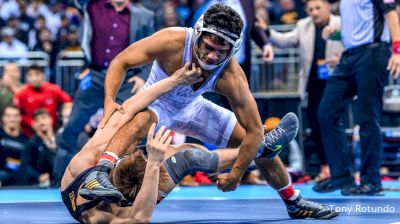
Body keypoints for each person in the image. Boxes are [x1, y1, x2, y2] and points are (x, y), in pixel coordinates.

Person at [79, 4, 334, 218]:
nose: (212, 57)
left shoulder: (232, 75)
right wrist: (109, 100)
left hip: (194, 106)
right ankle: (99, 173)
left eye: (221, 51)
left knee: (256, 140)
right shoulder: (172, 40)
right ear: (198, 34)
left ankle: (293, 200)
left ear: (232, 50)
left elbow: (254, 129)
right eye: (208, 47)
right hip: (159, 101)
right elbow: (121, 60)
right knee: (140, 119)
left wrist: (235, 175)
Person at [61, 64, 337, 223]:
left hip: (107, 171)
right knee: (190, 158)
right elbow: (139, 220)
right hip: (133, 189)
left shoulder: (87, 158)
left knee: (137, 119)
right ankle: (260, 149)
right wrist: (156, 163)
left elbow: (132, 105)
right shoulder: (104, 216)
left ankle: (261, 150)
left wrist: (174, 80)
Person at [53, 0, 155, 184]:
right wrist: (85, 67)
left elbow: (151, 49)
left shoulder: (144, 15)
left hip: (127, 79)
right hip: (95, 76)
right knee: (73, 125)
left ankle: (125, 180)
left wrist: (143, 75)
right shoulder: (91, 5)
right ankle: (59, 178)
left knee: (127, 129)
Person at [315, 0, 400, 195]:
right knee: (326, 112)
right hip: (349, 56)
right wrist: (336, 34)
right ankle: (341, 177)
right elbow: (357, 27)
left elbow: (392, 14)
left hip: (373, 53)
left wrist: (397, 51)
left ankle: (371, 181)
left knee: (367, 118)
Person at [256, 0, 344, 182]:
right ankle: (326, 167)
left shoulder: (340, 25)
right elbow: (284, 40)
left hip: (336, 82)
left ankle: (341, 168)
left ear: (327, 7)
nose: (314, 12)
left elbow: (352, 46)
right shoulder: (304, 25)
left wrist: (340, 60)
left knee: (333, 123)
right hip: (313, 83)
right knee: (316, 123)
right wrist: (266, 31)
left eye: (318, 8)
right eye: (311, 9)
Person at [13, 65, 72, 137]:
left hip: (53, 132)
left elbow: (69, 103)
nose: (33, 78)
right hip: (29, 134)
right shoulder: (22, 94)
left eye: (37, 74)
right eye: (30, 75)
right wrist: (32, 123)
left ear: (43, 75)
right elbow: (17, 114)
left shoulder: (54, 90)